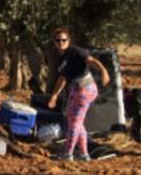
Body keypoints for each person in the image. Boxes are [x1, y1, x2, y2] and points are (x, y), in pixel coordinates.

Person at [47, 27, 110, 161]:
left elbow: (92, 61)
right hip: (75, 90)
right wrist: (54, 95)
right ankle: (83, 154)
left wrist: (103, 71)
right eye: (58, 40)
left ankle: (67, 153)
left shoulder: (76, 51)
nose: (61, 43)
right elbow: (62, 78)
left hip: (84, 89)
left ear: (69, 40)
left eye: (64, 40)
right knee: (75, 121)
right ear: (54, 42)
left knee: (74, 122)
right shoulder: (63, 57)